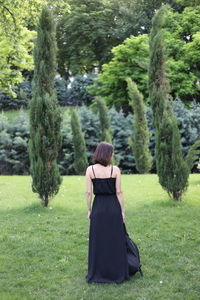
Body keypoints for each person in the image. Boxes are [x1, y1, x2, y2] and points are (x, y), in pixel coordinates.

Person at [85, 141, 130, 283]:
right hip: (113, 207)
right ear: (107, 154)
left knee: (99, 241)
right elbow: (119, 192)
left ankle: (98, 272)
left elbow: (88, 193)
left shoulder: (90, 170)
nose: (113, 155)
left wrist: (89, 210)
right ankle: (116, 272)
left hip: (98, 207)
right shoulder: (115, 170)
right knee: (114, 240)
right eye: (112, 152)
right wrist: (122, 211)